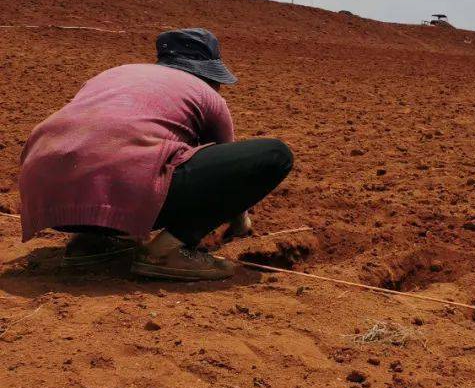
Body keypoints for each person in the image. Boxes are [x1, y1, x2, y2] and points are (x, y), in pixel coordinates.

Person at [18, 28, 293, 281]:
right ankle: (166, 251)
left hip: (42, 193)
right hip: (121, 188)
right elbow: (232, 170)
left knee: (117, 153)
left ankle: (90, 243)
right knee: (275, 154)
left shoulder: (114, 74)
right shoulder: (208, 95)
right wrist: (239, 221)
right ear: (209, 73)